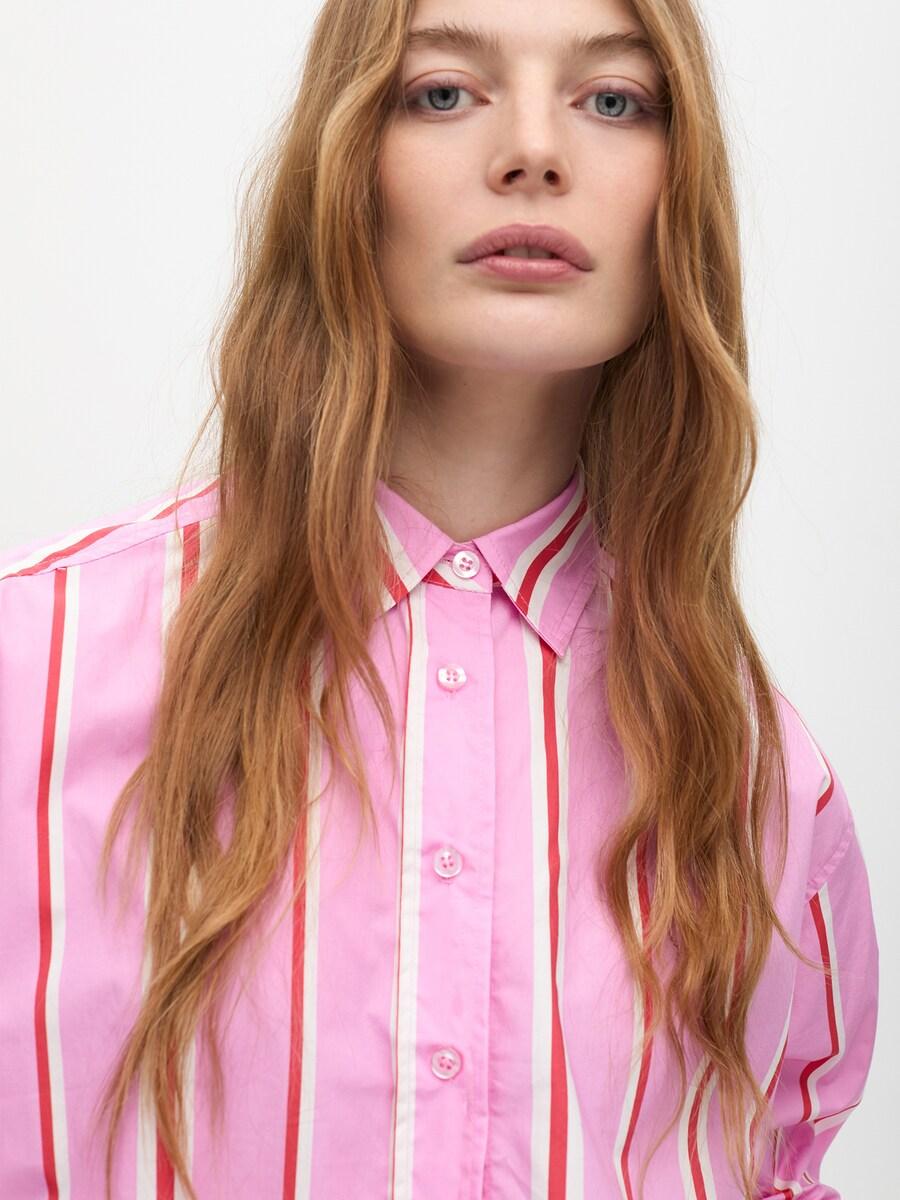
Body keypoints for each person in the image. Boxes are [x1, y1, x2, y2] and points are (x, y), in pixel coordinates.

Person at [0, 0, 879, 1197]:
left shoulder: (760, 776)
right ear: (345, 164)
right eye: (444, 92)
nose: (535, 151)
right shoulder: (29, 670)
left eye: (614, 100)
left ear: (680, 193)